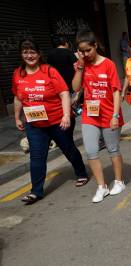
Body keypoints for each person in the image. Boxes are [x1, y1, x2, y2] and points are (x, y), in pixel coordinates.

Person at [12, 39, 89, 204]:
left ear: (39, 54)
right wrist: (17, 117)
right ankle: (36, 191)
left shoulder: (49, 71)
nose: (29, 56)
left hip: (56, 121)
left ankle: (81, 172)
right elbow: (18, 98)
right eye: (25, 52)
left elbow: (64, 93)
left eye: (32, 52)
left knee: (68, 148)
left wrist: (66, 116)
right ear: (21, 55)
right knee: (37, 157)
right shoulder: (18, 73)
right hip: (34, 124)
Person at [72, 30, 126, 203]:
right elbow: (75, 87)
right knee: (91, 150)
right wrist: (80, 66)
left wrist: (115, 115)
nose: (86, 54)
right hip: (90, 114)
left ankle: (119, 181)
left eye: (88, 50)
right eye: (82, 51)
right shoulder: (82, 65)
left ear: (95, 46)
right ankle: (101, 186)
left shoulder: (108, 64)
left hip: (109, 113)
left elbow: (116, 91)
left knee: (113, 149)